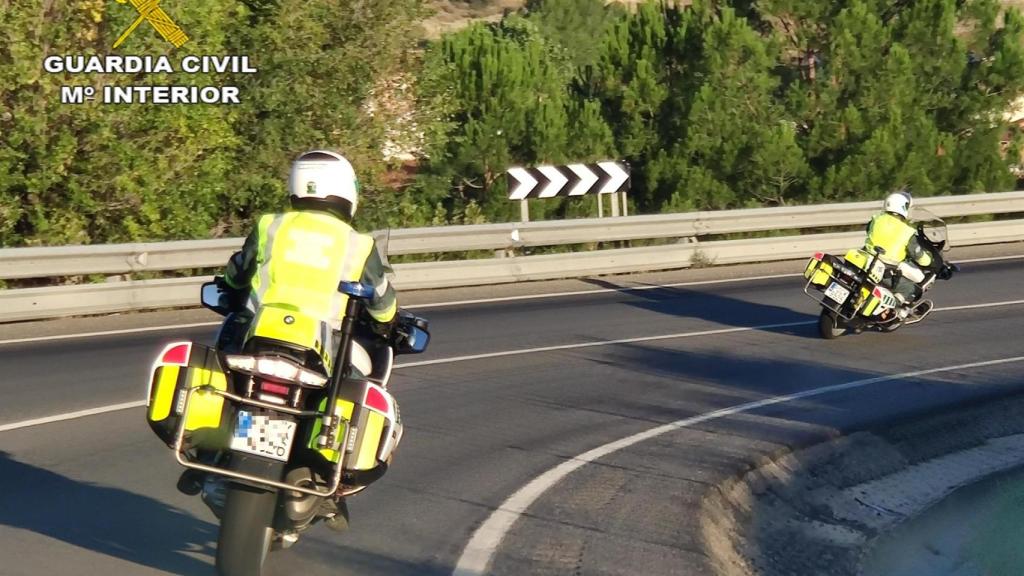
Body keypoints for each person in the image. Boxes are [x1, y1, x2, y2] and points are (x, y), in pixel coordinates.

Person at [218, 149, 398, 366]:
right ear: (346, 189)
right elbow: (382, 304)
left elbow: (237, 273)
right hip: (321, 343)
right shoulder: (359, 244)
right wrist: (388, 322)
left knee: (224, 359)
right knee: (356, 381)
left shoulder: (270, 225)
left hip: (259, 328)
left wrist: (229, 285)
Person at [863, 190, 933, 308]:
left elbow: (868, 230)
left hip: (866, 259)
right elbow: (917, 255)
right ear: (903, 207)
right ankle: (891, 310)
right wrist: (930, 261)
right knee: (909, 288)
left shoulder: (876, 219)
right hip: (886, 268)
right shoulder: (907, 230)